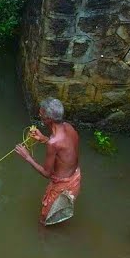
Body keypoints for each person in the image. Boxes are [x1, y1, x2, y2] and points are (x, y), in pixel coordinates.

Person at [14, 97, 81, 226]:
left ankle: (42, 235)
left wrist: (27, 157)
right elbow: (65, 149)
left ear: (49, 119)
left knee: (44, 220)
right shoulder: (69, 127)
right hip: (75, 176)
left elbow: (47, 173)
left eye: (41, 114)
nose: (40, 115)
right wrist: (43, 139)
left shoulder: (53, 143)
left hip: (63, 185)